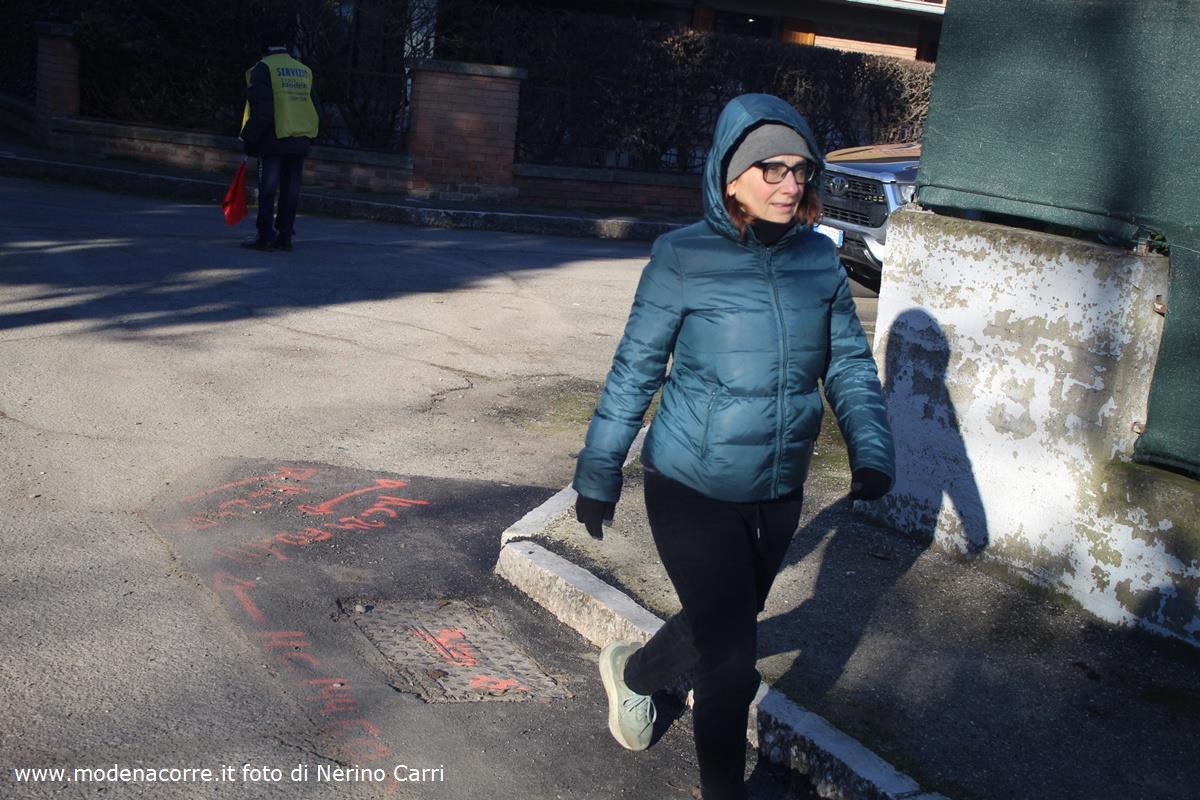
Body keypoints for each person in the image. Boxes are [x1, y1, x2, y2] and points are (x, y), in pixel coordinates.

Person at [573, 93, 895, 800]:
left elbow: (847, 361)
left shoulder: (818, 259)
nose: (790, 184)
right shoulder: (682, 256)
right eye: (771, 169)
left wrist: (871, 449)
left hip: (778, 484)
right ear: (729, 176)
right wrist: (599, 470)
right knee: (732, 662)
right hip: (690, 481)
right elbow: (635, 368)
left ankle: (635, 674)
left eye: (800, 170)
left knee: (722, 621)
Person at [239, 20, 319, 252]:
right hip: (299, 138)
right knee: (291, 190)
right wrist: (310, 137)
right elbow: (315, 108)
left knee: (267, 189)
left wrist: (249, 138)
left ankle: (265, 235)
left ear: (264, 46)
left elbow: (262, 110)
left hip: (273, 138)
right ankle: (285, 235)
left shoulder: (264, 68)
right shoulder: (303, 70)